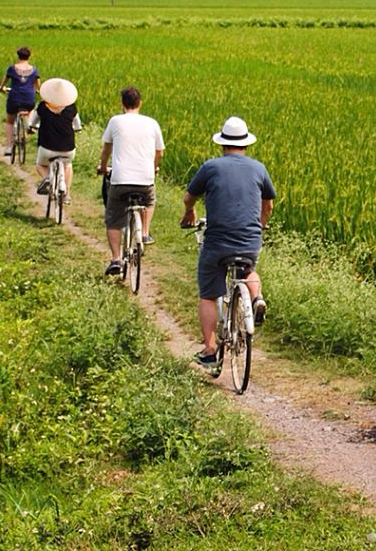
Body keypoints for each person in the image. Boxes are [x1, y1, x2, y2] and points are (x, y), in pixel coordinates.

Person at [180, 116, 274, 367]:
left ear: (222, 144)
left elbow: (189, 197)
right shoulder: (259, 168)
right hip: (250, 240)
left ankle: (210, 350)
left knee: (209, 294)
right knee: (249, 270)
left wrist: (189, 213)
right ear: (246, 144)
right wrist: (261, 225)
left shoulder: (211, 167)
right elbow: (268, 204)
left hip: (217, 243)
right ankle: (257, 299)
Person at [97, 86, 165, 276]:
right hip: (145, 179)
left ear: (122, 104)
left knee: (113, 218)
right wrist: (154, 167)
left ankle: (116, 259)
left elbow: (106, 150)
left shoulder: (115, 121)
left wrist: (102, 167)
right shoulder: (152, 123)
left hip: (120, 180)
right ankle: (144, 232)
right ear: (139, 103)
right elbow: (159, 152)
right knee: (149, 201)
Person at [28, 78, 82, 199]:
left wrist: (32, 127)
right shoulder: (71, 108)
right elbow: (78, 126)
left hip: (47, 147)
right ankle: (67, 194)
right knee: (67, 165)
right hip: (68, 148)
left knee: (40, 165)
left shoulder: (42, 107)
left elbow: (33, 122)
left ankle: (47, 178)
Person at [0, 46, 41, 156]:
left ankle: (8, 146)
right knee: (31, 109)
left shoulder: (12, 68)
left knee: (9, 122)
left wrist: (2, 88)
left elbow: (4, 82)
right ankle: (30, 124)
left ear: (18, 56)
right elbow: (38, 86)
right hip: (28, 98)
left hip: (14, 97)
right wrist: (38, 91)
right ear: (29, 56)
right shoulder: (34, 70)